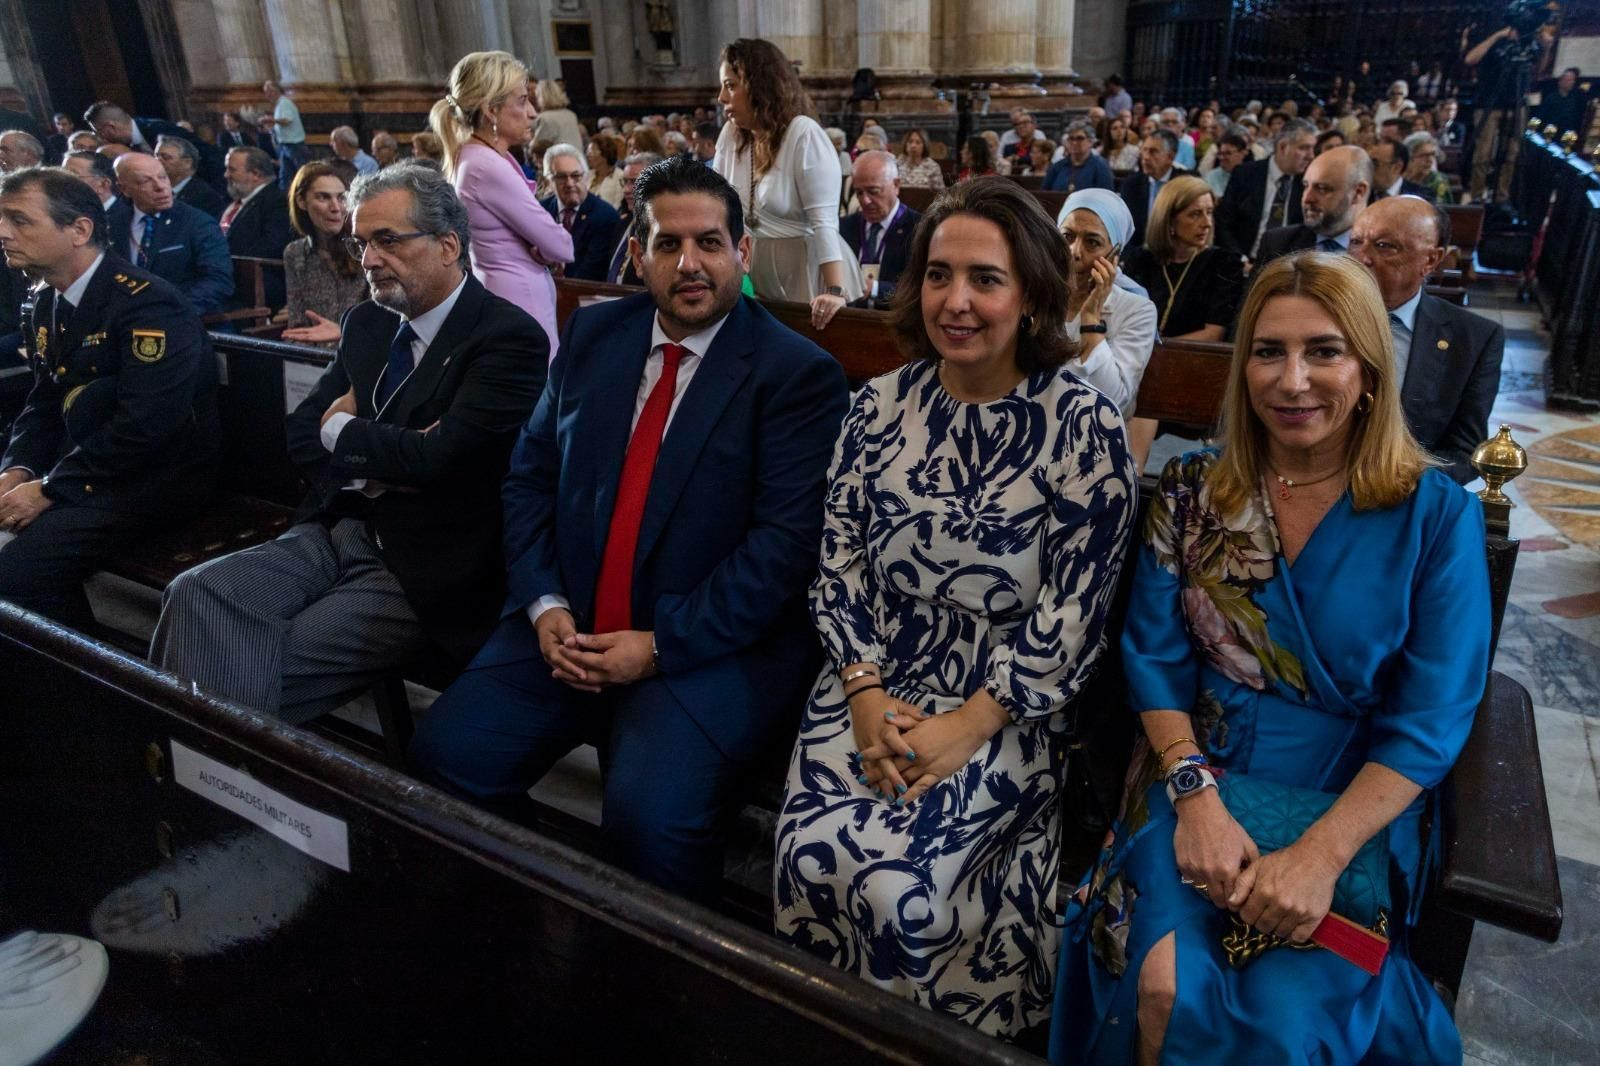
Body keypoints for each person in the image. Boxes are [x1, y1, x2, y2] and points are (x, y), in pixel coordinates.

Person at [1051, 250, 1491, 1066]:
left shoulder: (1435, 518)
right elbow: (1151, 655)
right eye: (1268, 351)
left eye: (1323, 351)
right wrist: (1193, 796)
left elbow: (1433, 716)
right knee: (1163, 987)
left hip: (1346, 802)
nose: (1292, 381)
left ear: (1368, 367)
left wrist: (1320, 855)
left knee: (1285, 1031)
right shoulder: (1190, 490)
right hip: (1194, 779)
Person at [408, 157, 850, 903]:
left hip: (705, 645)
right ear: (636, 254)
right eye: (667, 244)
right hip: (569, 623)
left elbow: (782, 554)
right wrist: (545, 602)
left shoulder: (795, 375)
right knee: (445, 758)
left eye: (710, 243)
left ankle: (673, 994)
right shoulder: (594, 336)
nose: (690, 264)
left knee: (647, 824)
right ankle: (534, 920)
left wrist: (658, 646)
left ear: (741, 254)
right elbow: (528, 480)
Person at [775, 176, 1135, 1037]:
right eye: (938, 275)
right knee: (807, 856)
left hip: (1008, 698)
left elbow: (1074, 614)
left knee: (906, 894)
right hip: (872, 676)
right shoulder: (877, 407)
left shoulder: (1083, 426)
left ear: (1034, 295)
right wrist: (862, 695)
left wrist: (971, 723)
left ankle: (937, 1039)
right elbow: (841, 563)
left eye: (985, 278)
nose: (956, 300)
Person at [150, 163, 547, 721]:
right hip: (341, 526)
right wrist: (384, 458)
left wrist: (344, 431)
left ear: (448, 244)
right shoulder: (369, 322)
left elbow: (441, 460)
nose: (368, 260)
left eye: (388, 240)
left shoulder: (506, 336)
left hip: (425, 563)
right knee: (196, 594)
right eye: (362, 243)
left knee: (254, 664)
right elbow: (300, 433)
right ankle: (222, 780)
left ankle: (217, 791)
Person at [0, 166, 219, 627]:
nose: (3, 232)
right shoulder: (46, 300)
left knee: (14, 574)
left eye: (20, 220)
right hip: (90, 466)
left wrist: (48, 488)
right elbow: (44, 400)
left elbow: (147, 426)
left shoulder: (146, 304)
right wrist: (15, 469)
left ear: (79, 230)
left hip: (157, 478)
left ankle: (89, 685)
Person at [1349, 197, 1503, 483]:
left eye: (1384, 246)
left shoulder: (1473, 339)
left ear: (1431, 260)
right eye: (1356, 242)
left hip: (1401, 499)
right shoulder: (1313, 316)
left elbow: (1464, 453)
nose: (1362, 257)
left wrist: (1398, 480)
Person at [430, 50, 573, 358]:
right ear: (490, 110)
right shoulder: (485, 166)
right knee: (536, 398)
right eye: (522, 100)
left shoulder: (474, 156)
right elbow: (563, 246)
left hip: (508, 292)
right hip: (520, 299)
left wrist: (540, 244)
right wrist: (543, 246)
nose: (533, 112)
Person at [713, 38, 862, 328]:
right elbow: (717, 208)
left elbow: (825, 222)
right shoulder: (731, 136)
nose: (721, 97)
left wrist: (833, 291)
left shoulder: (803, 135)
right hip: (753, 278)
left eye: (731, 86)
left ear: (760, 86)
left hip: (809, 276)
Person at [1058, 190, 1160, 415]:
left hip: (1092, 434)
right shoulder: (1035, 295)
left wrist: (1091, 320)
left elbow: (1114, 402)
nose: (1074, 252)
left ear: (1115, 255)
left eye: (1092, 242)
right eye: (1067, 237)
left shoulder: (1137, 310)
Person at [107, 153, 233, 317]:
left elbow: (218, 281)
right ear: (124, 189)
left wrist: (164, 311)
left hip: (184, 319)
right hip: (124, 319)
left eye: (163, 177)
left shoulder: (197, 223)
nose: (160, 187)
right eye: (146, 181)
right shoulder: (113, 223)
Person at [1124, 175, 1241, 344]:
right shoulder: (1141, 261)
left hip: (1192, 361)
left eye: (1209, 212)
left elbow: (1213, 334)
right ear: (1169, 219)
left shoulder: (1223, 264)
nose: (1207, 223)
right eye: (1195, 214)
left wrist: (1155, 349)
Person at [279, 162, 366, 347]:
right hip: (315, 356)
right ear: (301, 201)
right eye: (323, 197)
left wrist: (343, 332)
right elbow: (298, 325)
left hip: (360, 351)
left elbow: (384, 324)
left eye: (342, 198)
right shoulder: (294, 253)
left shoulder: (363, 248)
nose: (335, 207)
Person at [1464, 22, 1547, 203]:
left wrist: (1545, 46)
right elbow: (1470, 59)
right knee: (1483, 154)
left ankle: (1502, 196)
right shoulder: (1495, 42)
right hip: (1489, 103)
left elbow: (1539, 71)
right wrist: (1498, 36)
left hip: (1517, 103)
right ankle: (1477, 195)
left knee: (1512, 153)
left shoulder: (1529, 46)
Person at [1256, 145, 1372, 269]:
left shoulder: (1382, 254)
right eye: (1306, 186)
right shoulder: (1276, 244)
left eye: (1322, 189)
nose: (1307, 198)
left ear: (1358, 192)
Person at [1216, 117, 1315, 258]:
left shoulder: (1308, 183)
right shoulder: (1245, 174)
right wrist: (1240, 261)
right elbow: (1224, 223)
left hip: (1287, 266)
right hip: (1245, 261)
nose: (1311, 156)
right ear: (1282, 147)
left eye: (1312, 148)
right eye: (1304, 148)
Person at [839, 151, 920, 304]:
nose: (865, 201)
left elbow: (919, 289)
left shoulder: (919, 229)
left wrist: (875, 288)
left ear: (896, 185)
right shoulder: (844, 227)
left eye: (873, 191)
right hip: (848, 317)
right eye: (859, 193)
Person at [221, 147, 292, 308]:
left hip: (254, 285)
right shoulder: (236, 202)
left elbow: (272, 245)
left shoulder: (276, 202)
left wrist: (224, 262)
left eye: (231, 169)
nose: (226, 175)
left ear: (256, 174)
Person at [539, 144, 622, 282]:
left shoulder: (605, 216)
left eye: (576, 175)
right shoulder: (540, 211)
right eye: (561, 177)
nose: (570, 183)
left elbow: (592, 272)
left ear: (586, 176)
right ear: (549, 181)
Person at [1120, 129, 1183, 247]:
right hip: (1139, 254)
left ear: (1170, 156)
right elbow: (1125, 230)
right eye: (1144, 150)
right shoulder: (1132, 185)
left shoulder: (1184, 184)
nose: (1146, 157)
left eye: (1153, 152)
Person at [155, 135, 225, 218]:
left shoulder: (205, 197)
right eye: (156, 156)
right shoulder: (151, 189)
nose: (157, 161)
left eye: (166, 157)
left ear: (187, 163)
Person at [1044, 120, 1115, 193]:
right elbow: (1045, 193)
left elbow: (1106, 196)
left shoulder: (1101, 166)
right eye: (1071, 139)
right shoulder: (1057, 167)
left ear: (1090, 142)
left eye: (1080, 138)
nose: (1074, 142)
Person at [263, 80, 310, 189]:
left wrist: (271, 119)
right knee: (285, 175)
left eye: (267, 92)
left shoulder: (285, 103)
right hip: (285, 144)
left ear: (274, 91)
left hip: (294, 144)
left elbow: (287, 120)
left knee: (303, 173)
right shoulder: (280, 104)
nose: (266, 95)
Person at [1367, 139, 1433, 202]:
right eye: (1368, 164)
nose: (1369, 169)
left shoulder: (1422, 197)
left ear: (1397, 167)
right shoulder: (1363, 195)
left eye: (1375, 164)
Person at [531, 80, 583, 150]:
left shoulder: (544, 118)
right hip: (578, 158)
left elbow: (536, 149)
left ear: (542, 97)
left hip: (559, 159)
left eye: (537, 96)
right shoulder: (571, 115)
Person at [1402, 132, 1452, 204]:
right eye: (1424, 155)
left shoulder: (1438, 181)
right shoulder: (1398, 180)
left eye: (1432, 155)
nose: (1430, 160)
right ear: (1409, 158)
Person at [1203, 129, 1249, 199]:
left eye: (1228, 153)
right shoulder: (1211, 177)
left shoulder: (1251, 177)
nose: (1222, 158)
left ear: (1242, 153)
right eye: (1221, 153)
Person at [586, 133, 624, 209]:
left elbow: (618, 205)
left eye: (592, 150)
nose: (588, 154)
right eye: (587, 150)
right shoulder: (588, 175)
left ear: (605, 153)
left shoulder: (620, 176)